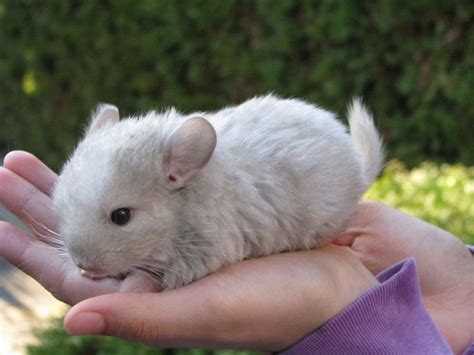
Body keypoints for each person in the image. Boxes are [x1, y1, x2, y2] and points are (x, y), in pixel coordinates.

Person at [0, 150, 472, 354]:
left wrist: (352, 313)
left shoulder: (207, 206)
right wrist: (461, 287)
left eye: (120, 218)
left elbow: (203, 250)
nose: (81, 256)